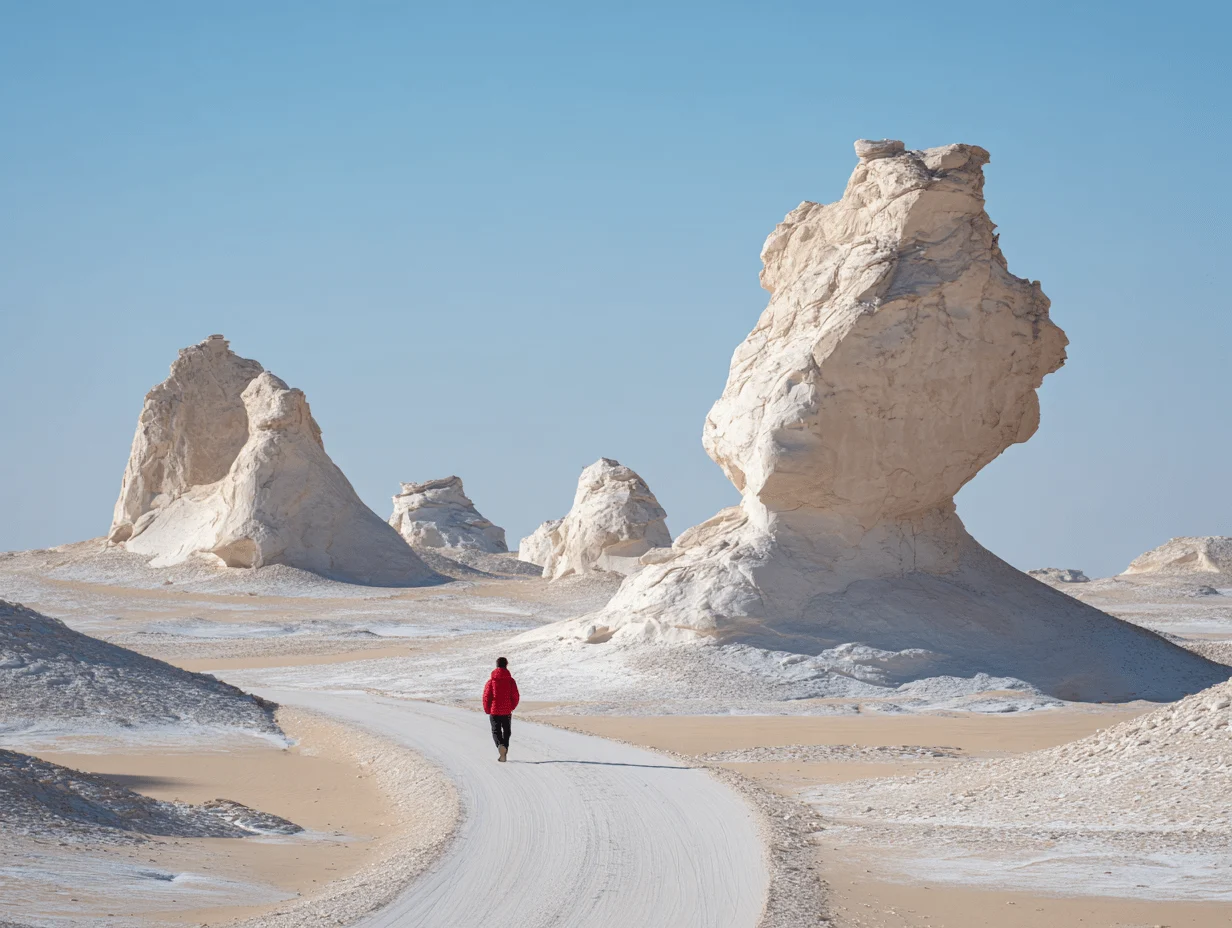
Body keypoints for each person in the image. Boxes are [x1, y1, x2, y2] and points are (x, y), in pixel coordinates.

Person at [482, 656, 520, 762]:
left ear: (496, 665)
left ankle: (500, 747)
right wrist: (511, 706)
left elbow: (486, 696)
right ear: (506, 665)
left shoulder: (491, 681)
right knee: (507, 732)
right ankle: (505, 749)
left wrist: (487, 709)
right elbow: (515, 696)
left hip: (494, 711)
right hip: (507, 711)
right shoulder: (511, 681)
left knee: (496, 731)